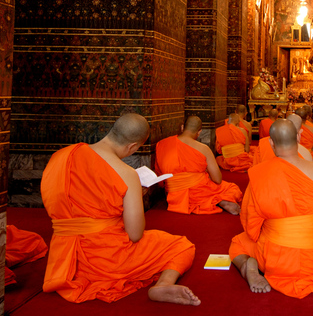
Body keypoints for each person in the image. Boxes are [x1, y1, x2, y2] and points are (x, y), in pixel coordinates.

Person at [41, 113, 199, 305]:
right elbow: (135, 235)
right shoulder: (125, 173)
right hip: (106, 257)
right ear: (132, 146)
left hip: (65, 257)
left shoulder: (60, 157)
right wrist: (134, 199)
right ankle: (164, 283)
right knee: (180, 246)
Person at [229, 119, 313, 298]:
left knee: (238, 243)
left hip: (273, 260)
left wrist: (280, 219)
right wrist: (305, 218)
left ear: (271, 142)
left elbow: (250, 223)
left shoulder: (260, 174)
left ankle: (248, 265)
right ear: (298, 137)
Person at [155, 116, 242, 215]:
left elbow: (160, 179)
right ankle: (217, 200)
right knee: (231, 188)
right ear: (199, 132)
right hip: (199, 189)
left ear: (182, 127)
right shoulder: (203, 148)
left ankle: (213, 200)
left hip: (174, 193)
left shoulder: (161, 144)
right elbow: (217, 179)